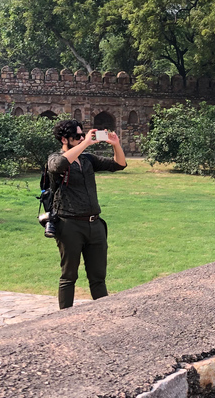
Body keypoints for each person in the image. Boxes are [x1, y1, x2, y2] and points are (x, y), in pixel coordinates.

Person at [48, 119, 127, 309]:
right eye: (77, 136)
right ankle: (65, 318)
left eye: (82, 135)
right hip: (70, 225)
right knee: (69, 276)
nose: (82, 138)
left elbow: (119, 164)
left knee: (98, 277)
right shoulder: (54, 158)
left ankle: (102, 316)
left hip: (95, 224)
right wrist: (85, 143)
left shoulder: (87, 159)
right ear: (64, 139)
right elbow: (58, 165)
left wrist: (116, 144)